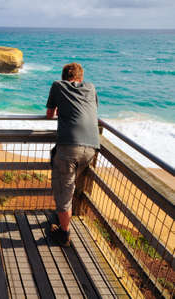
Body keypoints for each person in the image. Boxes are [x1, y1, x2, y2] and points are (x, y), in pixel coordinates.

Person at [46, 62, 100, 247]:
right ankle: (64, 217)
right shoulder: (91, 88)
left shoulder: (57, 86)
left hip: (70, 147)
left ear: (63, 77)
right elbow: (91, 111)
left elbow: (49, 114)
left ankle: (64, 234)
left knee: (64, 191)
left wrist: (61, 110)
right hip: (91, 147)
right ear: (81, 78)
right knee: (68, 186)